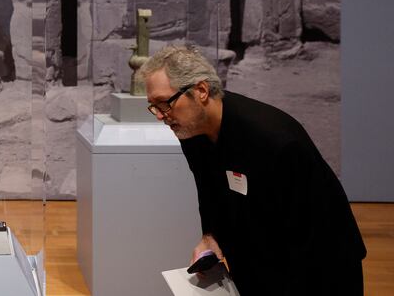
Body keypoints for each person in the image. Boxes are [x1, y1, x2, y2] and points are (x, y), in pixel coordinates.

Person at [138, 45, 366, 296]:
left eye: (164, 103)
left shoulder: (274, 141)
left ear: (201, 91)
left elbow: (311, 236)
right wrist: (211, 235)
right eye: (153, 106)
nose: (161, 115)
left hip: (320, 268)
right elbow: (208, 187)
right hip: (261, 258)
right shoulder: (192, 131)